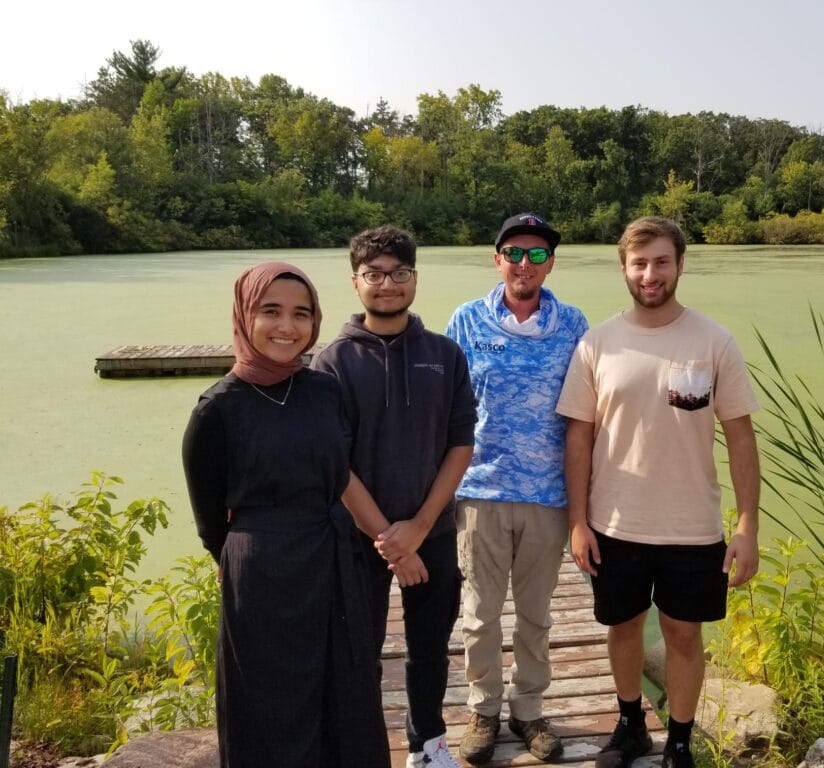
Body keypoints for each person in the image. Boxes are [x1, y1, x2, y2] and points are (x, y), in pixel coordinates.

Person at [556, 216, 761, 768]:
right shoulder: (597, 343)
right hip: (614, 522)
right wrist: (578, 520)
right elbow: (579, 437)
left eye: (662, 261)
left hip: (692, 526)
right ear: (624, 268)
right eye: (639, 263)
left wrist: (746, 528)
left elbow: (741, 438)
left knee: (683, 635)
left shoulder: (714, 340)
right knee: (622, 628)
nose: (651, 274)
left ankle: (679, 741)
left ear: (680, 265)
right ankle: (629, 724)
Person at [181, 261, 389, 768]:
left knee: (347, 694)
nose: (287, 327)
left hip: (334, 561)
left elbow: (339, 473)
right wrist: (247, 558)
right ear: (244, 316)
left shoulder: (324, 390)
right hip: (262, 575)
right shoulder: (218, 408)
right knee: (270, 704)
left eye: (301, 313)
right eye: (270, 311)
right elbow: (210, 521)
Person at [312, 226, 477, 768]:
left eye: (399, 273)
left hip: (432, 531)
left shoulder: (445, 354)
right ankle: (360, 750)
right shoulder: (332, 362)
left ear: (414, 278)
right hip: (358, 538)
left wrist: (420, 531)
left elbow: (460, 443)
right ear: (355, 280)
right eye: (375, 274)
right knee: (358, 652)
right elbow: (333, 462)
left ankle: (427, 746)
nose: (388, 284)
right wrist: (390, 540)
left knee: (430, 648)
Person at [445, 213, 589, 764]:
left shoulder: (573, 324)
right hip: (479, 490)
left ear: (550, 262)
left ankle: (528, 710)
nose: (524, 263)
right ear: (496, 257)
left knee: (535, 613)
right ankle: (483, 709)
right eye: (514, 252)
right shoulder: (466, 320)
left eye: (536, 254)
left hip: (548, 496)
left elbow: (588, 415)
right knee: (479, 612)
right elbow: (449, 406)